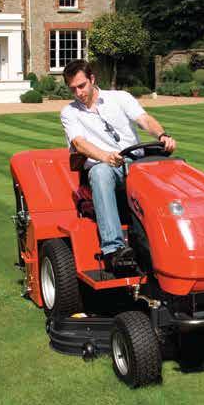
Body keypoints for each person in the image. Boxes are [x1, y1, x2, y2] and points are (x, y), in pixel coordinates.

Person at [59, 59, 177, 270]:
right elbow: (79, 143)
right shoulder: (69, 113)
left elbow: (144, 119)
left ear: (92, 79)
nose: (78, 93)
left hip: (136, 162)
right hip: (105, 166)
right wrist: (104, 156)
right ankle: (113, 250)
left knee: (172, 169)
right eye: (73, 89)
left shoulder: (120, 98)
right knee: (101, 173)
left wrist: (162, 135)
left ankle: (174, 237)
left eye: (81, 86)